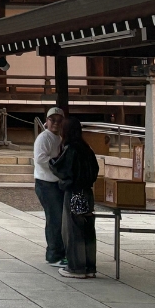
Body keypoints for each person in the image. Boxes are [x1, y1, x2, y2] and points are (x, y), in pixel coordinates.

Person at [50, 117, 100, 279]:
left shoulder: (71, 149)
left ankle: (76, 267)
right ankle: (89, 266)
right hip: (87, 193)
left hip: (74, 193)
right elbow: (95, 170)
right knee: (87, 230)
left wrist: (52, 160)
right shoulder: (87, 149)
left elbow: (60, 168)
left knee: (73, 230)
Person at [33, 107, 66, 267]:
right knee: (54, 218)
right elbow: (40, 159)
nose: (55, 123)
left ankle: (59, 251)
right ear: (46, 121)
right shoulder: (43, 138)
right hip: (45, 183)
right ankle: (53, 254)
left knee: (59, 218)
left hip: (56, 183)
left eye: (59, 121)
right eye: (52, 120)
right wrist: (57, 165)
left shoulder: (60, 138)